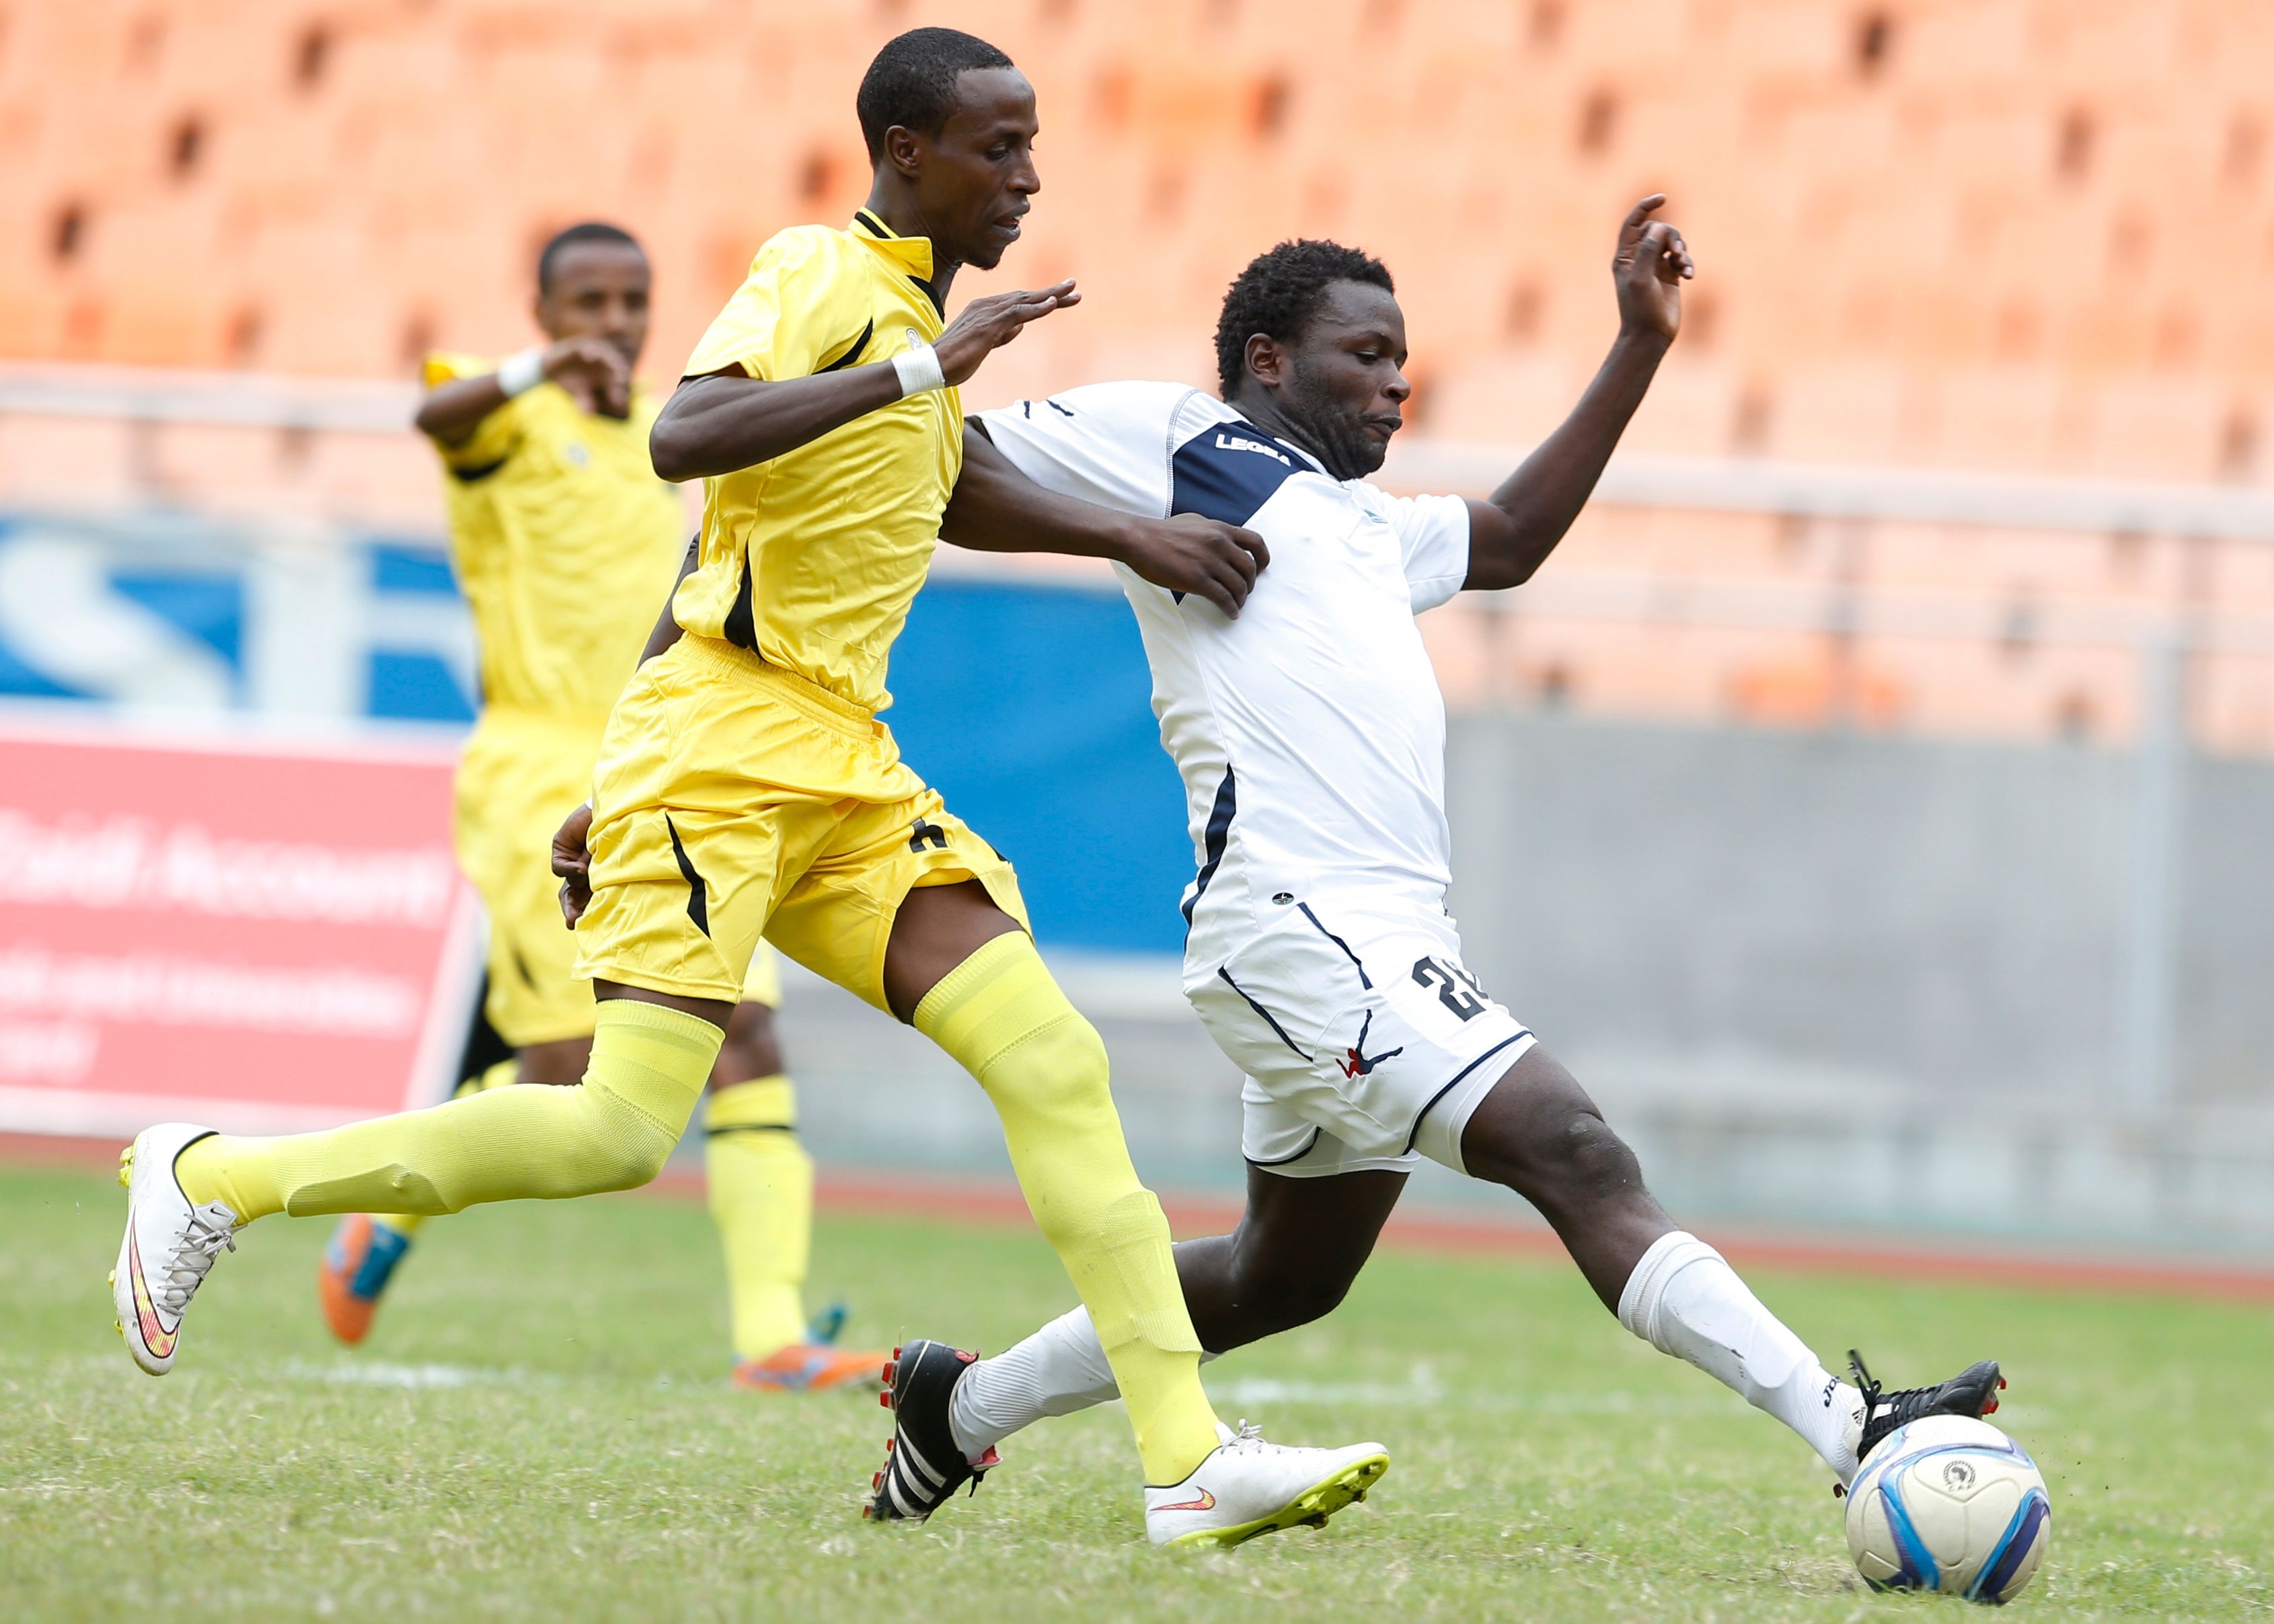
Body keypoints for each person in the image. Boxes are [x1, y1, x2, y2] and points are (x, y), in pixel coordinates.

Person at [112, 28, 1384, 1550]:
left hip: (836, 756)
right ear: (908, 153)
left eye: (1034, 144)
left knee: (1048, 1058)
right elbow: (683, 435)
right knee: (613, 1132)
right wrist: (926, 362)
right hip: (722, 748)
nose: (1029, 174)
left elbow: (908, 489)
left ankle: (1183, 1457)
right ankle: (213, 1174)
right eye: (1000, 145)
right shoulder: (818, 275)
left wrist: (1126, 533)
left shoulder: (908, 328)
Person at [872, 199, 2006, 1512]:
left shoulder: (1360, 523)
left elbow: (1511, 535)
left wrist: (1637, 344)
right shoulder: (1181, 438)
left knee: (1279, 1277)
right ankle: (1850, 1427)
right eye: (1362, 352)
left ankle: (956, 1405)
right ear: (1265, 361)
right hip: (1298, 922)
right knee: (1570, 1147)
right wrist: (1127, 532)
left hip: (1377, 932)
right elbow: (933, 466)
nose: (1394, 376)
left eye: (1399, 355)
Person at [312, 222, 880, 1392]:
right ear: (541, 310)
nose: (611, 323)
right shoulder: (505, 414)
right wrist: (536, 371)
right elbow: (436, 419)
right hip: (533, 768)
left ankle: (772, 1335)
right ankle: (378, 1211)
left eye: (631, 300)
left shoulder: (675, 438)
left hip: (662, 764)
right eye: (586, 302)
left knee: (743, 1030)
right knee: (568, 1068)